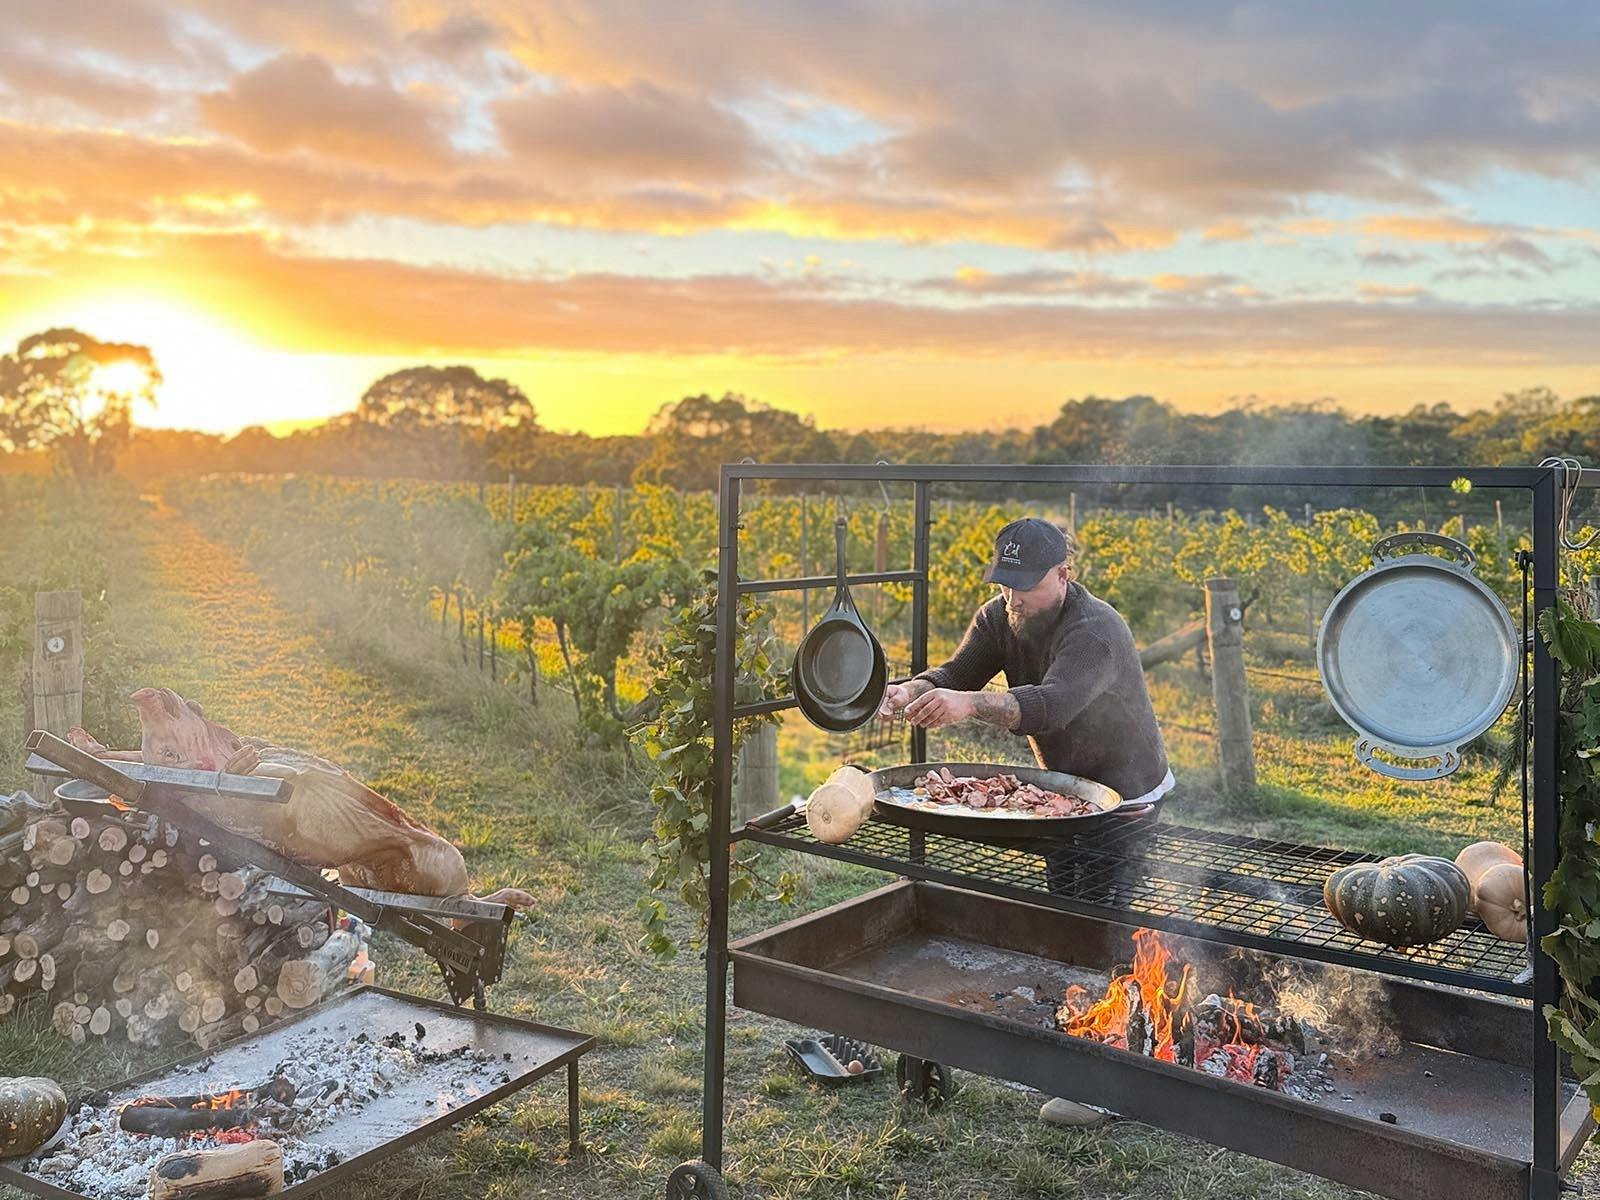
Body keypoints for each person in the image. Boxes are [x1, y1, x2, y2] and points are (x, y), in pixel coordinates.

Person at [876, 515, 1174, 1127]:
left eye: (1025, 583)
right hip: (1067, 796)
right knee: (1068, 916)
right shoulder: (999, 616)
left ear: (1064, 574)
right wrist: (915, 690)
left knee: (1108, 930)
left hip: (1128, 796)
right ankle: (1086, 1040)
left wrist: (969, 708)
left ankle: (1113, 1085)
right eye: (1004, 580)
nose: (1012, 595)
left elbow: (1050, 705)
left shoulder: (1096, 630)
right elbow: (959, 674)